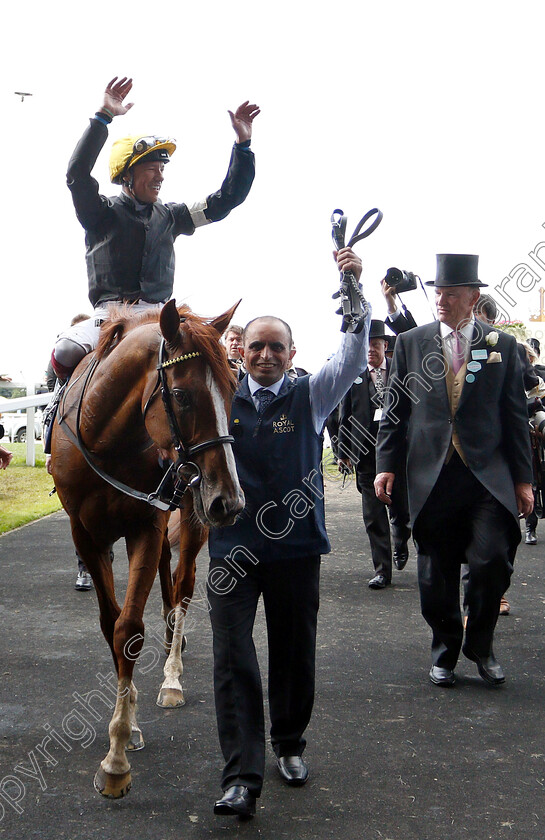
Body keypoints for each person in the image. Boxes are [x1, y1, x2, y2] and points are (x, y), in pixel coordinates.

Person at [207, 247, 370, 819]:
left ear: (292, 354)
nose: (267, 354)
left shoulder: (312, 395)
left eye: (278, 346)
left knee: (293, 652)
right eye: (256, 345)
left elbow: (352, 357)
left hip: (296, 550)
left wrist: (353, 291)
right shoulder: (220, 400)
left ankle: (290, 743)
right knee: (232, 656)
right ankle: (241, 777)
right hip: (231, 549)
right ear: (241, 353)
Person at [375, 254, 533, 688]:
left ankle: (480, 645)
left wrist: (524, 480)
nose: (441, 300)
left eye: (451, 293)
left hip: (488, 475)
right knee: (435, 569)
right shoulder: (410, 343)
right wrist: (386, 467)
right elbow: (394, 412)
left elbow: (516, 417)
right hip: (431, 474)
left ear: (472, 297)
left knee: (492, 561)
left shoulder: (501, 346)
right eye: (438, 292)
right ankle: (444, 649)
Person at [51, 76, 259, 382]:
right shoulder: (100, 212)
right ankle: (57, 404)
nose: (160, 176)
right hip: (109, 317)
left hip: (162, 317)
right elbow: (76, 174)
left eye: (162, 168)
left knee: (208, 350)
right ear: (126, 176)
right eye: (151, 168)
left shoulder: (174, 215)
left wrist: (243, 147)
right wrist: (103, 118)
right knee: (66, 349)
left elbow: (227, 199)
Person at [338, 319, 411, 588]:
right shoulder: (354, 376)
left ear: (384, 346)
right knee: (373, 514)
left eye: (375, 344)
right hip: (366, 455)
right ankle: (382, 570)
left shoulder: (398, 371)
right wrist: (343, 451)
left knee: (401, 508)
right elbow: (344, 416)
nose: (371, 349)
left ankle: (401, 536)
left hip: (397, 454)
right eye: (367, 344)